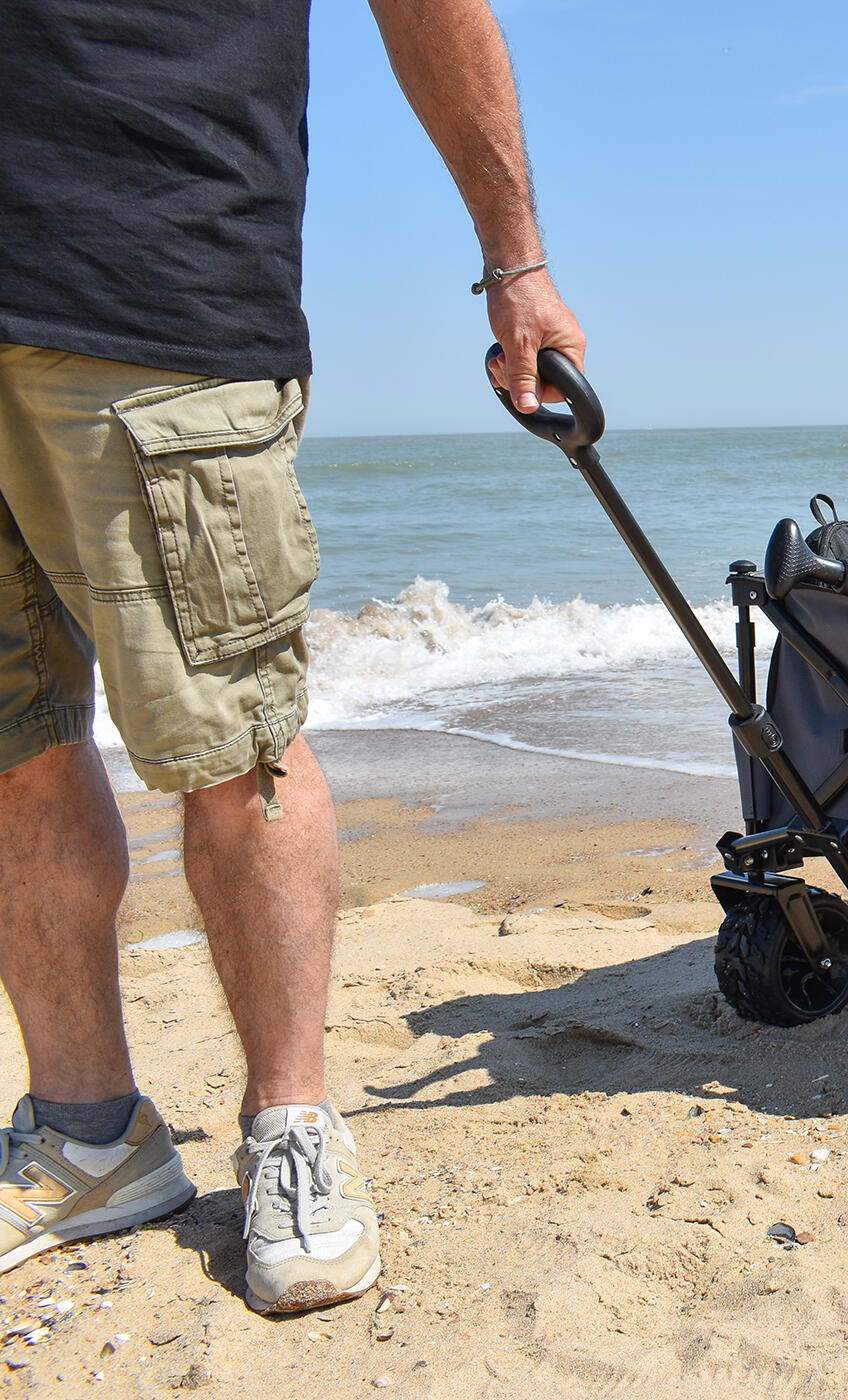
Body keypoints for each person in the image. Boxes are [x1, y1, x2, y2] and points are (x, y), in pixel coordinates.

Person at [0, 0, 586, 1313]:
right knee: (14, 747)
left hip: (153, 287)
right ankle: (90, 1138)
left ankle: (295, 1131)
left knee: (236, 749)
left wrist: (514, 259)